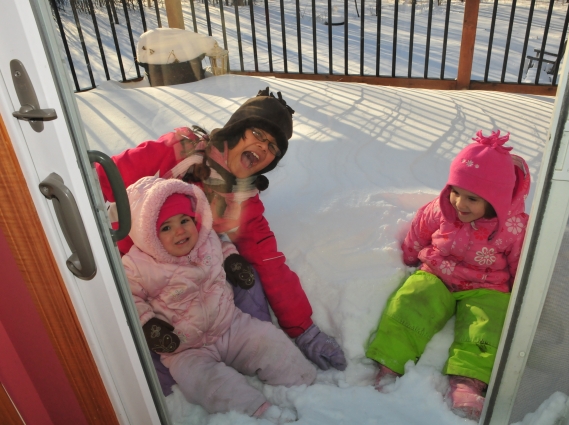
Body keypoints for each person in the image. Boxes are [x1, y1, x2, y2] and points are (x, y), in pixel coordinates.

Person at [95, 88, 346, 395]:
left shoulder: (243, 201)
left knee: (249, 280)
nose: (263, 147)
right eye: (258, 133)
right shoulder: (179, 152)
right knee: (153, 367)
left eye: (272, 147)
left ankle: (248, 347)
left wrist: (304, 328)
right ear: (236, 130)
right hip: (134, 277)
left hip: (191, 289)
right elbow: (101, 178)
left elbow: (269, 262)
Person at [365, 130, 530, 421]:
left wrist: (520, 294)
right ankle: (391, 359)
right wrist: (410, 255)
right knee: (411, 301)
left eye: (472, 199)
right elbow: (419, 230)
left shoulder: (513, 227)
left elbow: (520, 262)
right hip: (438, 273)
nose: (460, 204)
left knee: (487, 324)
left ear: (495, 200)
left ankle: (469, 381)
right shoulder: (442, 209)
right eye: (455, 191)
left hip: (487, 286)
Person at [123, 176, 316, 418]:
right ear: (149, 236)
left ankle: (306, 385)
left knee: (268, 341)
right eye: (166, 227)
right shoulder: (138, 266)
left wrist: (232, 260)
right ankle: (256, 411)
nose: (180, 231)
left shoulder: (206, 239)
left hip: (230, 325)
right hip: (184, 349)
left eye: (184, 220)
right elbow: (129, 296)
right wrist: (148, 324)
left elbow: (222, 248)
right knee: (205, 382)